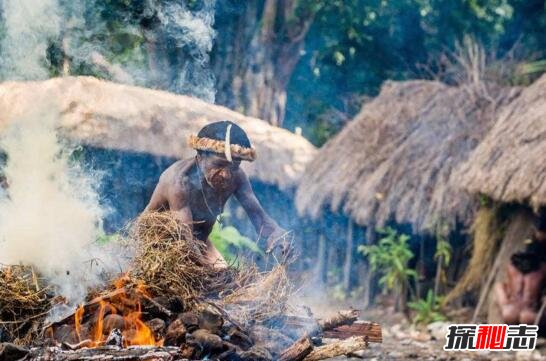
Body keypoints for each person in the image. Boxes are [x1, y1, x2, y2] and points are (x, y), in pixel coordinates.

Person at [144, 120, 288, 268]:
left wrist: (276, 233)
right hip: (156, 245)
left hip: (199, 243)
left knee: (230, 284)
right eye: (218, 165)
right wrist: (213, 275)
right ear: (200, 157)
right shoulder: (178, 182)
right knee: (217, 282)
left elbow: (259, 217)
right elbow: (184, 243)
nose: (226, 174)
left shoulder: (237, 177)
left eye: (234, 166)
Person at [495, 211, 546, 325]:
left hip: (514, 313)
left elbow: (499, 287)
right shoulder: (541, 270)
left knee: (521, 316)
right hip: (524, 314)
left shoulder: (512, 268)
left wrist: (504, 304)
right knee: (523, 316)